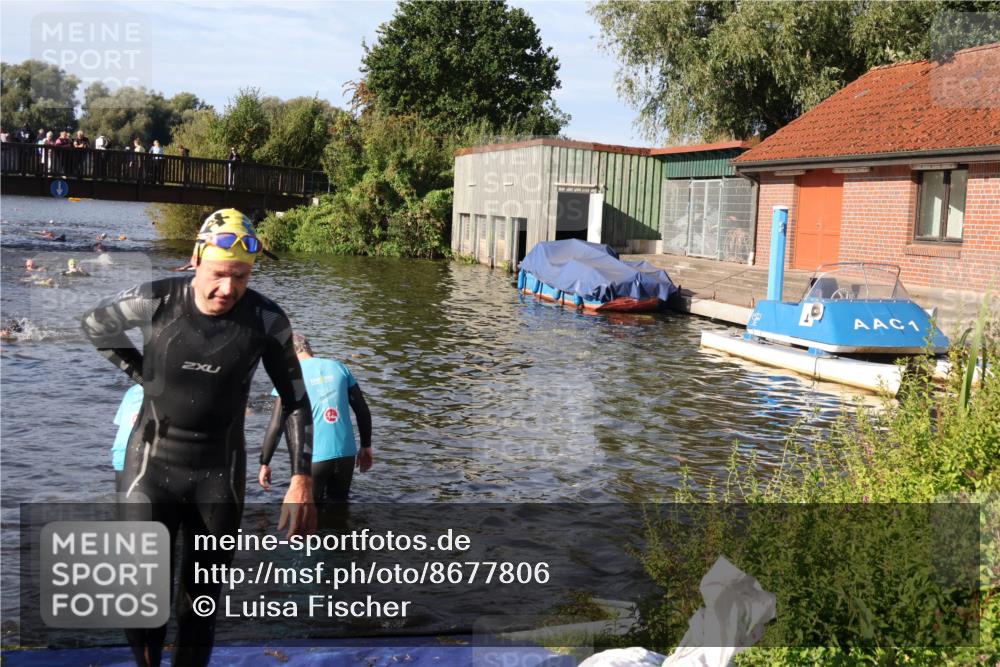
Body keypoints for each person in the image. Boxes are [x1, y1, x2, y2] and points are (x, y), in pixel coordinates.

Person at [80, 208, 315, 667]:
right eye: (219, 274)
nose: (228, 288)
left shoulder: (267, 321)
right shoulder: (157, 300)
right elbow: (95, 325)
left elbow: (296, 400)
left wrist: (300, 477)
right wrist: (142, 373)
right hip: (149, 469)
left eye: (241, 277)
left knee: (200, 605)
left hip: (218, 478)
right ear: (194, 260)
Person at [258, 333, 373, 503]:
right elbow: (362, 411)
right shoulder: (339, 367)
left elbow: (277, 424)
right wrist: (366, 446)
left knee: (308, 516)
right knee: (340, 511)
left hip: (313, 458)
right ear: (310, 349)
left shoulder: (290, 376)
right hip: (346, 455)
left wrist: (264, 462)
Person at [111, 385, 144, 490]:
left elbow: (121, 422)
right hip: (140, 455)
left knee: (122, 501)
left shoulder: (131, 391)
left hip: (120, 453)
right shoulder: (160, 394)